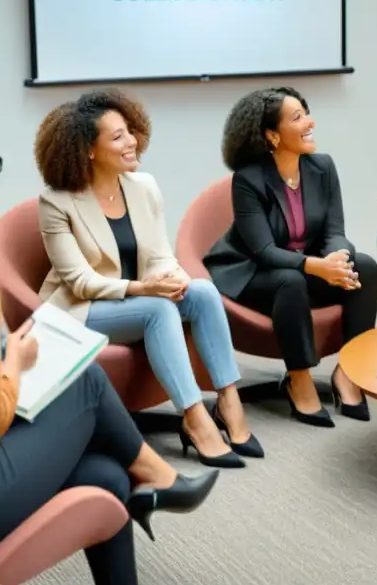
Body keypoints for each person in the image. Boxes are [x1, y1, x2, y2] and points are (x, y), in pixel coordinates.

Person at [0, 107, 219, 585]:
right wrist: (13, 363)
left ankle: (147, 481)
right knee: (88, 381)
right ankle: (158, 476)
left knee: (106, 478)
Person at [34, 89, 262, 467]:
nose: (132, 141)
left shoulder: (144, 187)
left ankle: (229, 402)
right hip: (81, 309)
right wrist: (145, 289)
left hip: (138, 299)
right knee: (157, 308)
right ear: (88, 150)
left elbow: (158, 255)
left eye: (130, 131)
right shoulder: (57, 203)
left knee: (203, 292)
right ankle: (194, 418)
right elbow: (79, 282)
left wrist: (173, 278)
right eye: (118, 136)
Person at [204, 87, 377, 428]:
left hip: (304, 267)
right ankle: (298, 378)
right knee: (290, 278)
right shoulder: (248, 179)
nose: (309, 122)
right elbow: (265, 251)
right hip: (254, 272)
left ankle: (349, 372)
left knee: (367, 268)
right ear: (272, 135)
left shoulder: (322, 167)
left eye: (306, 112)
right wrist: (318, 266)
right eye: (297, 117)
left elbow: (334, 230)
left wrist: (338, 259)